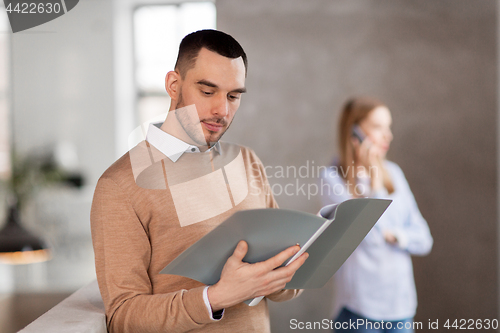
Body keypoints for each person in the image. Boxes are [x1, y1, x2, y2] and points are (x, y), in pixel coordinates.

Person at [90, 30, 308, 333]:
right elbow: (123, 317)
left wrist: (280, 275)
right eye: (208, 92)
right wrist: (215, 297)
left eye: (233, 96)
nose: (223, 110)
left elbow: (288, 284)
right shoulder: (120, 186)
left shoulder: (246, 162)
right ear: (173, 85)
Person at [320, 97, 433, 333]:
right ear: (354, 131)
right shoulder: (332, 179)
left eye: (388, 127)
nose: (388, 135)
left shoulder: (395, 173)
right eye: (378, 127)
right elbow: (370, 237)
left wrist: (398, 237)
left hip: (401, 307)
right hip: (358, 310)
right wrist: (375, 182)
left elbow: (424, 239)